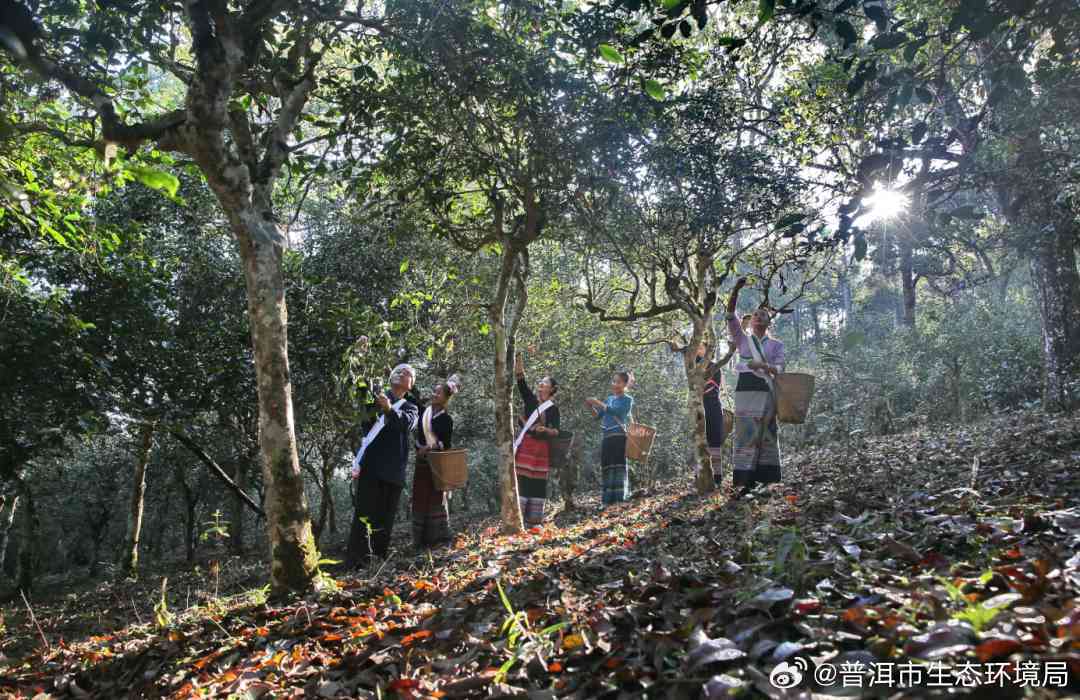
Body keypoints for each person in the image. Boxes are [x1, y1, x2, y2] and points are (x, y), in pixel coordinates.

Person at [347, 364, 419, 568]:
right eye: (399, 370)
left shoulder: (410, 407)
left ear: (411, 384)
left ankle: (377, 559)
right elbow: (362, 405)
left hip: (394, 470)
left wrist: (389, 409)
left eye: (408, 374)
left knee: (385, 518)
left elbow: (405, 425)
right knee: (363, 514)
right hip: (371, 467)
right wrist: (360, 364)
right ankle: (355, 561)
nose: (403, 373)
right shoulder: (375, 399)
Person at [726, 278, 785, 498]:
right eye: (756, 314)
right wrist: (736, 290)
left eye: (764, 314)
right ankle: (745, 483)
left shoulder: (776, 345)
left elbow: (779, 367)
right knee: (745, 434)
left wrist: (763, 366)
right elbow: (730, 316)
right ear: (750, 322)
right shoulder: (742, 340)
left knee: (766, 433)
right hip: (745, 391)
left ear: (769, 321)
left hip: (766, 391)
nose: (759, 316)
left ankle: (767, 481)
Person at [411, 375, 461, 549]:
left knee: (435, 498)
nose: (434, 394)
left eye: (438, 393)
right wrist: (419, 449)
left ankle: (437, 537)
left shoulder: (446, 419)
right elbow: (418, 436)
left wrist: (430, 448)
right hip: (422, 462)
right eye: (434, 391)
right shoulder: (424, 413)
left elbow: (445, 443)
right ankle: (419, 539)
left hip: (437, 463)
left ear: (446, 398)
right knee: (420, 496)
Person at [514, 353, 560, 527]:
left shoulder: (553, 409)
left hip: (542, 450)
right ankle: (520, 520)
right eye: (540, 383)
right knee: (523, 479)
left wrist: (545, 429)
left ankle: (534, 522)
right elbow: (520, 381)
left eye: (544, 383)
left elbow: (556, 431)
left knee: (538, 482)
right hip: (527, 446)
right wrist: (518, 359)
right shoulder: (531, 401)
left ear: (551, 389)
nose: (540, 385)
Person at [586, 371, 634, 507]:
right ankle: (608, 499)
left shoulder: (627, 400)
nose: (615, 384)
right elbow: (598, 416)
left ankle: (620, 497)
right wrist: (590, 406)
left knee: (619, 465)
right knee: (607, 466)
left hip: (619, 437)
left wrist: (598, 402)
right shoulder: (609, 399)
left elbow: (616, 412)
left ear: (625, 384)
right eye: (614, 381)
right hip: (607, 437)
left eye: (618, 382)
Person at [697, 340, 737, 489]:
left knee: (714, 443)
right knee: (700, 443)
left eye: (701, 347)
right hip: (699, 410)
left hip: (713, 408)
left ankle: (718, 477)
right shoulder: (692, 366)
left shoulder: (715, 367)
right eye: (697, 347)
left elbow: (711, 389)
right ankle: (701, 477)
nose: (698, 350)